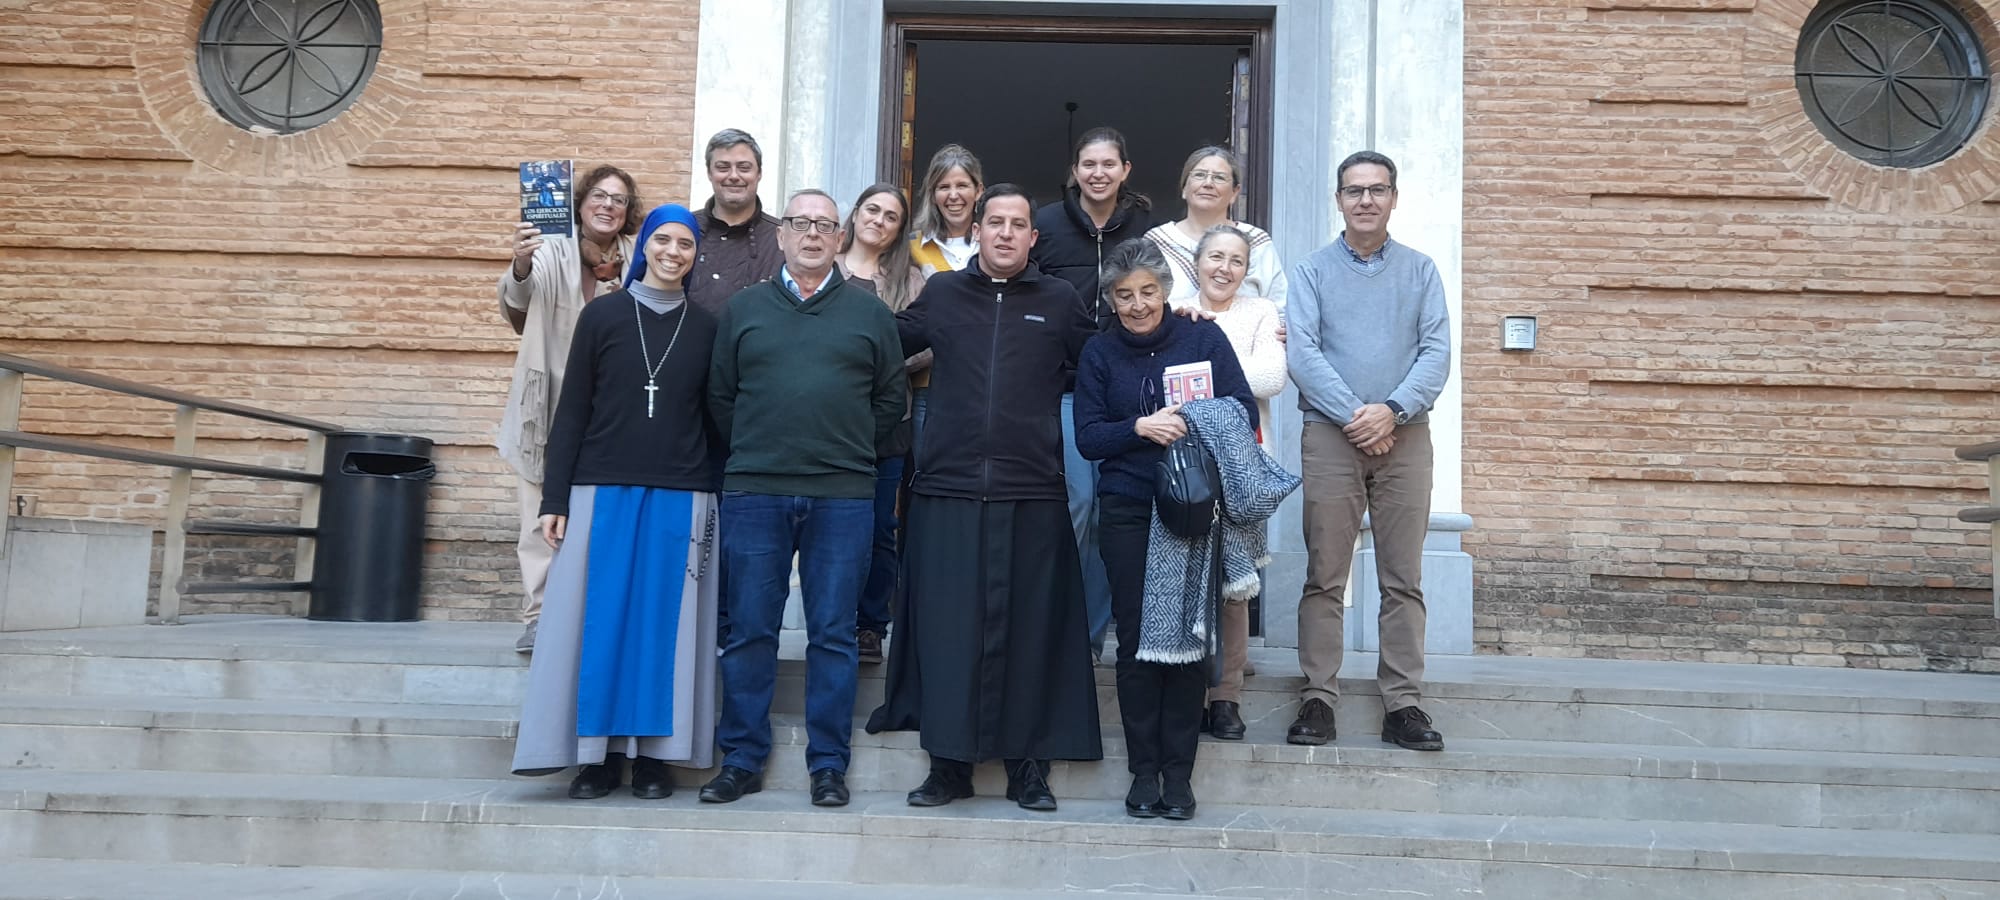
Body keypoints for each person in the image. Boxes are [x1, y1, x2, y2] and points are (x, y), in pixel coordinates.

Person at [867, 184, 1102, 812]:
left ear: (1032, 237)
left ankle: (1029, 767)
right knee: (949, 632)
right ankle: (948, 766)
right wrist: (830, 296)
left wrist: (1179, 323)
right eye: (993, 222)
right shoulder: (943, 293)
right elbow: (885, 338)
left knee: (1030, 633)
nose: (1003, 232)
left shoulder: (1058, 301)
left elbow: (1105, 362)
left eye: (1016, 224)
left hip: (1032, 489)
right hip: (948, 487)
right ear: (978, 233)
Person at [703, 190, 908, 808]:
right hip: (756, 493)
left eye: (824, 225)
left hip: (842, 495)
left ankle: (827, 765)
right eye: (800, 223)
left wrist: (841, 448)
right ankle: (740, 758)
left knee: (834, 636)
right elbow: (720, 397)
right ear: (782, 235)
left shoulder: (869, 314)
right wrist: (764, 447)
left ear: (840, 238)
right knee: (749, 632)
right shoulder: (744, 310)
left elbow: (891, 400)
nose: (813, 234)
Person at [509, 203, 721, 800]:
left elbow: (717, 420)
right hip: (600, 489)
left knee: (661, 630)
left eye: (685, 243)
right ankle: (595, 758)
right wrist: (555, 496)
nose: (673, 252)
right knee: (599, 626)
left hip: (682, 493)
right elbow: (572, 409)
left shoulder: (708, 328)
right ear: (645, 246)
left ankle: (653, 759)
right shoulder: (603, 316)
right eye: (663, 240)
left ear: (695, 253)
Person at [1074, 239, 1258, 820]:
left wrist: (1190, 419)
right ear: (1110, 299)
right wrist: (1140, 427)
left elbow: (1243, 411)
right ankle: (1142, 773)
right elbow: (1088, 437)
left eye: (1147, 292)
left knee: (1185, 642)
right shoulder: (1100, 354)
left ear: (1166, 290)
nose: (1137, 305)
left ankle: (1179, 777)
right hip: (1128, 506)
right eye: (1124, 296)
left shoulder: (1201, 337)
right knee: (1136, 643)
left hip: (1191, 508)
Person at [1286, 151, 1452, 752]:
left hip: (1406, 437)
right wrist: (1359, 416)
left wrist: (1393, 411)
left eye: (1376, 190)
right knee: (1324, 573)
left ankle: (1403, 704)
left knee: (1402, 576)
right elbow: (1302, 353)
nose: (1365, 201)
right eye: (1354, 191)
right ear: (1338, 200)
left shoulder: (1421, 271)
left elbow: (1436, 352)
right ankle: (1317, 696)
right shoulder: (1311, 272)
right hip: (1332, 436)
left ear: (1393, 198)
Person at [498, 164, 643, 653]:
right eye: (599, 196)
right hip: (548, 399)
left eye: (619, 200)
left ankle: (592, 613)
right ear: (579, 203)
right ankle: (539, 615)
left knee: (599, 513)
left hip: (610, 408)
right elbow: (517, 301)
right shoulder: (550, 247)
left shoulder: (637, 257)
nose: (608, 205)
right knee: (539, 514)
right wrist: (519, 262)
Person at [1033, 126, 1156, 663]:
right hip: (1065, 387)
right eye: (1088, 164)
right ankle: (1063, 629)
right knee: (1077, 505)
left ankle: (1094, 633)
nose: (1098, 173)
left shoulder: (1150, 229)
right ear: (1075, 170)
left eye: (1109, 164)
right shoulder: (1045, 224)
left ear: (1125, 170)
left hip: (1130, 391)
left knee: (1116, 512)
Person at [1183, 224, 1288, 740]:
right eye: (1215, 257)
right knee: (1184, 579)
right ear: (1196, 262)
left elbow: (1271, 377)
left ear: (1248, 271)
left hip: (1244, 467)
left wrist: (1204, 366)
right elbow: (1159, 380)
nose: (1224, 268)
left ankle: (1225, 695)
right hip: (1183, 466)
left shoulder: (1261, 312)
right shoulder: (1174, 307)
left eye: (1237, 261)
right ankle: (1187, 692)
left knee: (1235, 586)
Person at [836, 183, 930, 665]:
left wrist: (880, 362)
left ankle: (871, 624)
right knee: (827, 524)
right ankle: (831, 616)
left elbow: (931, 343)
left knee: (878, 524)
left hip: (889, 420)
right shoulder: (823, 269)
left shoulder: (911, 282)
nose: (879, 220)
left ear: (898, 230)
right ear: (855, 214)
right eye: (872, 209)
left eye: (891, 216)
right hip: (824, 419)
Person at [905, 144, 985, 453]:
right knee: (928, 476)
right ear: (932, 193)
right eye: (944, 186)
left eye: (962, 185)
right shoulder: (912, 246)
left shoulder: (995, 243)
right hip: (930, 385)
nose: (953, 195)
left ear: (978, 190)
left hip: (985, 384)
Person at [1144, 146, 1289, 312]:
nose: (1208, 184)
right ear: (1184, 188)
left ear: (1235, 192)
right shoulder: (1156, 242)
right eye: (1199, 175)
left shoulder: (1256, 241)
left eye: (1219, 178)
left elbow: (1281, 309)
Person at [689, 129, 785, 315]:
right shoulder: (684, 230)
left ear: (759, 174)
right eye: (723, 167)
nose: (733, 176)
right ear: (709, 173)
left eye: (744, 168)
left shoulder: (782, 239)